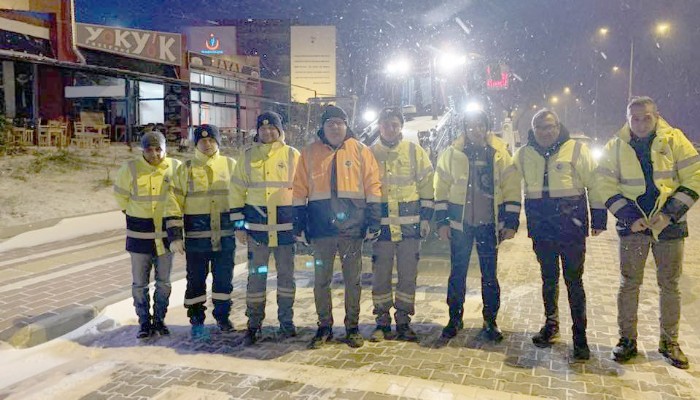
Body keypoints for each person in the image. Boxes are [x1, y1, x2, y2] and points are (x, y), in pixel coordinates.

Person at [596, 96, 700, 369]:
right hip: (634, 228)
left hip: (670, 226)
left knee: (670, 285)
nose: (641, 123)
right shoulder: (616, 146)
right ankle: (627, 341)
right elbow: (604, 184)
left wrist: (670, 214)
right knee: (629, 284)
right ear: (627, 119)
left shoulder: (674, 140)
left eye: (646, 117)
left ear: (656, 116)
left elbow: (695, 175)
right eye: (635, 118)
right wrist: (630, 218)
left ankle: (669, 342)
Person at [514, 109, 606, 361]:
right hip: (541, 228)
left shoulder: (575, 149)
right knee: (549, 279)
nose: (546, 132)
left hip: (571, 228)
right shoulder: (523, 154)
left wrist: (599, 217)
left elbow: (594, 182)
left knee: (574, 282)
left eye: (550, 126)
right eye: (540, 127)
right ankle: (551, 325)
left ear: (558, 126)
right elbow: (508, 182)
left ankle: (580, 337)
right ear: (533, 131)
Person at [293, 105, 382, 349]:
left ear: (346, 126)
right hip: (321, 230)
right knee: (321, 280)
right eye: (330, 123)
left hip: (352, 230)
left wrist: (374, 220)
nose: (335, 127)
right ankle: (324, 327)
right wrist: (299, 223)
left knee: (353, 280)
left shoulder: (361, 151)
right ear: (322, 127)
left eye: (339, 123)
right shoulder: (309, 153)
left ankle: (352, 327)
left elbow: (373, 187)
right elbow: (299, 190)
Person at [434, 109, 521, 343]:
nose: (475, 130)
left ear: (487, 127)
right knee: (457, 273)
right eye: (471, 126)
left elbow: (511, 186)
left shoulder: (500, 154)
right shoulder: (451, 154)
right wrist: (442, 222)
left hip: (488, 224)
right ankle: (454, 319)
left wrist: (510, 222)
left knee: (489, 275)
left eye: (480, 125)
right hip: (460, 225)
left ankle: (490, 321)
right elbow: (440, 188)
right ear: (464, 128)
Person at [231, 111, 300, 345]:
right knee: (256, 278)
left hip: (285, 231)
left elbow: (303, 192)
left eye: (272, 128)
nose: (268, 132)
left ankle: (286, 321)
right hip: (257, 231)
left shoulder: (292, 155)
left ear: (280, 131)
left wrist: (301, 225)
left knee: (286, 278)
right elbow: (237, 191)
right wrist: (239, 225)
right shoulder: (247, 156)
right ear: (258, 131)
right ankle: (254, 323)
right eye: (263, 128)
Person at [165, 124, 237, 340]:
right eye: (202, 141)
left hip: (225, 236)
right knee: (196, 280)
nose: (207, 144)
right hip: (197, 238)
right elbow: (173, 202)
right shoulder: (185, 169)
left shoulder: (230, 165)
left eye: (211, 140)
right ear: (196, 143)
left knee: (224, 279)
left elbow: (241, 196)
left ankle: (223, 317)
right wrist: (175, 235)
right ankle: (196, 319)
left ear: (217, 142)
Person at [369, 107, 434, 342]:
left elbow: (427, 185)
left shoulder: (414, 151)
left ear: (401, 126)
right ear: (379, 126)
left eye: (395, 124)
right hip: (381, 227)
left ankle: (404, 321)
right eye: (386, 124)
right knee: (380, 275)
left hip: (410, 226)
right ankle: (382, 321)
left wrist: (426, 217)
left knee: (408, 275)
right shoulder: (369, 154)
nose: (391, 128)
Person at [114, 131, 181, 339]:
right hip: (139, 235)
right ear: (143, 150)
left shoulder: (176, 167)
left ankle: (160, 320)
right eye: (149, 149)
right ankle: (144, 322)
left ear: (165, 149)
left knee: (164, 282)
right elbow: (121, 198)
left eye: (158, 149)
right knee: (140, 283)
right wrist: (135, 213)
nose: (154, 154)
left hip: (165, 235)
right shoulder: (130, 168)